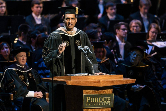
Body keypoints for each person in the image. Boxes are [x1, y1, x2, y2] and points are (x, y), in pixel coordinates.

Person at [115, 46, 164, 111]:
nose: (135, 57)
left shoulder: (145, 67)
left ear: (141, 58)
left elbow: (151, 80)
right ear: (130, 54)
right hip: (127, 91)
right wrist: (130, 87)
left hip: (142, 90)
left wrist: (142, 86)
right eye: (134, 54)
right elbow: (119, 82)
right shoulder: (123, 66)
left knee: (147, 96)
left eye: (138, 55)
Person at [2, 46, 49, 111]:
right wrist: (33, 94)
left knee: (46, 105)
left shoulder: (31, 70)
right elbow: (17, 88)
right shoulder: (10, 71)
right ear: (15, 58)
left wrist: (40, 93)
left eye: (25, 56)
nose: (24, 58)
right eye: (21, 56)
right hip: (21, 99)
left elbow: (40, 84)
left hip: (35, 97)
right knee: (37, 106)